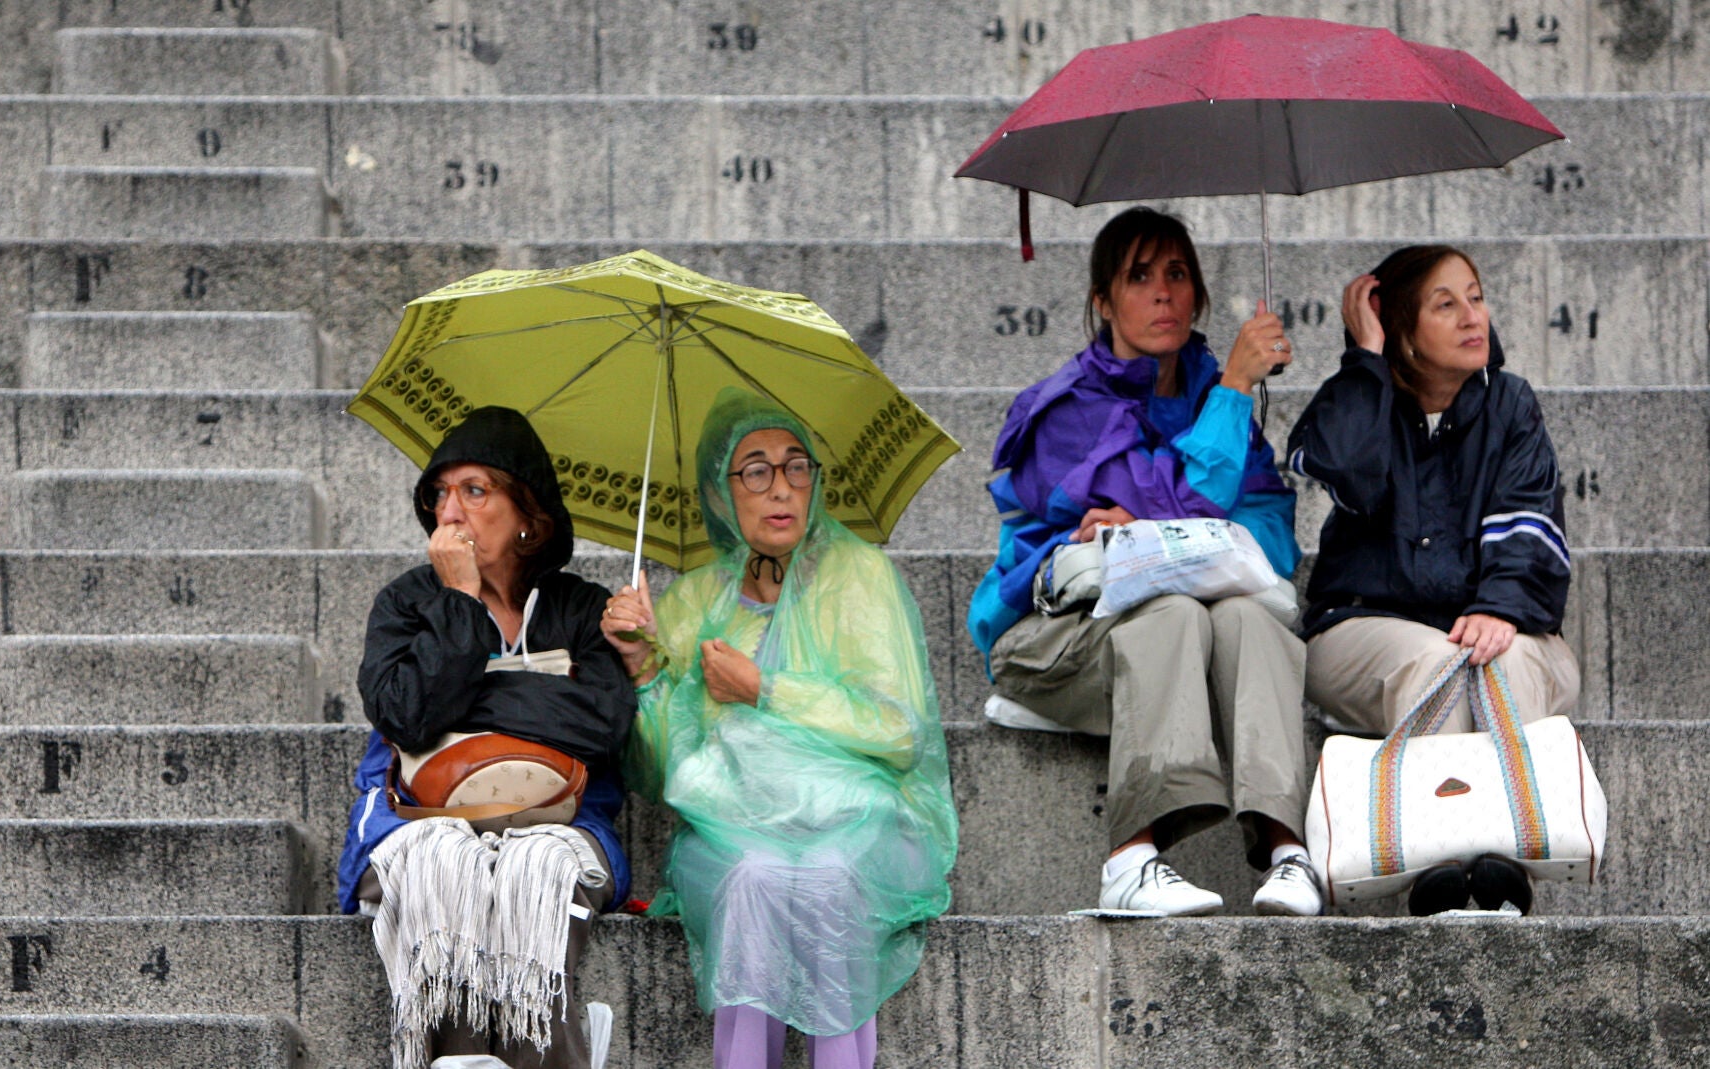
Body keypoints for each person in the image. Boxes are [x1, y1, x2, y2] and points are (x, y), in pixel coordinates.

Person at [965, 206, 1322, 917]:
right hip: (1054, 641)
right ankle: (1130, 857)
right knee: (1171, 606)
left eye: (1177, 273)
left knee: (1253, 617)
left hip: (1171, 644)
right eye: (1138, 276)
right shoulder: (1063, 409)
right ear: (1103, 301)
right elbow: (1183, 500)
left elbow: (1271, 535)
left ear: (1198, 295)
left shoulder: (1211, 397)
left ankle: (1289, 852)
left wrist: (1217, 413)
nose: (1162, 292)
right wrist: (1234, 389)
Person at [601, 389, 958, 1069]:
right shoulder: (694, 602)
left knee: (828, 878)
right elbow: (657, 777)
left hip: (868, 818)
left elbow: (899, 730)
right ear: (719, 490)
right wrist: (644, 666)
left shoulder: (859, 576)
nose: (782, 487)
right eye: (755, 470)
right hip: (739, 828)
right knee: (753, 878)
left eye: (798, 466)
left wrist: (764, 690)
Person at [337, 406, 637, 1069]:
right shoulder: (408, 603)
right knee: (447, 862)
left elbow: (602, 726)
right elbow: (408, 716)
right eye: (440, 493)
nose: (451, 511)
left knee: (537, 868)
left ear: (527, 512)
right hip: (421, 812)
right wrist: (463, 606)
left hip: (561, 816)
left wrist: (473, 699)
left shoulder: (582, 610)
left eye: (475, 490)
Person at [1288, 244, 1578, 915]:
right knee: (1440, 665)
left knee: (1492, 663)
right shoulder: (1361, 398)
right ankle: (1440, 867)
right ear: (1400, 325)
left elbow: (1533, 516)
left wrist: (1501, 605)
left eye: (1475, 296)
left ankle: (1500, 871)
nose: (1472, 316)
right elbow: (1346, 472)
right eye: (1445, 304)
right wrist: (1366, 360)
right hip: (1362, 628)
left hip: (1511, 620)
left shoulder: (1511, 405)